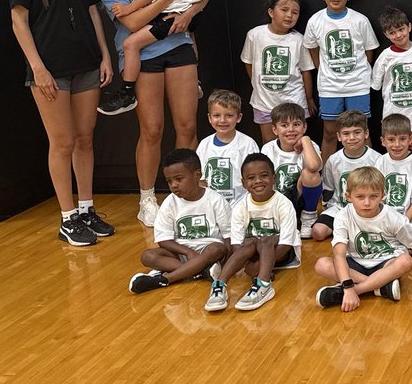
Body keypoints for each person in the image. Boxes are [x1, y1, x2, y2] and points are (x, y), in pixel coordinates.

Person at [8, 0, 115, 245]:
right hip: (50, 70)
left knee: (85, 139)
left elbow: (93, 13)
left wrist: (104, 56)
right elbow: (18, 20)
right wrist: (37, 67)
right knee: (63, 142)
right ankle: (67, 217)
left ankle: (86, 208)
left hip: (86, 63)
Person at [95, 0, 206, 227]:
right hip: (143, 56)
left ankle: (185, 195)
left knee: (187, 127)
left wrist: (189, 13)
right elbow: (130, 22)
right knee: (152, 129)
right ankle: (147, 197)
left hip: (179, 46)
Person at [207, 153, 302, 312]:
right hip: (253, 254)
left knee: (265, 240)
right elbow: (237, 245)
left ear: (274, 178)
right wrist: (249, 265)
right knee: (250, 241)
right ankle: (219, 284)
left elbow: (286, 244)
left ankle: (263, 284)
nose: (258, 181)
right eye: (251, 178)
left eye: (264, 176)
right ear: (243, 183)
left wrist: (254, 269)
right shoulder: (240, 206)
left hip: (281, 254)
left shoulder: (284, 204)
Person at [128, 149, 231, 295]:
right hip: (182, 254)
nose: (173, 185)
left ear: (197, 175)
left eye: (179, 179)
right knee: (147, 256)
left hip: (209, 253)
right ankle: (200, 272)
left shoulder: (215, 199)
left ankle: (165, 279)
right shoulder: (170, 203)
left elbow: (229, 235)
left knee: (217, 248)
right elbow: (163, 239)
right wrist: (188, 252)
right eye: (169, 181)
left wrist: (227, 264)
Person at [303, 0, 379, 162]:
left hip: (357, 85)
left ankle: (369, 177)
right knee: (329, 132)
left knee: (361, 132)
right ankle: (328, 181)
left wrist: (358, 72)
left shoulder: (360, 20)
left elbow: (369, 51)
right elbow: (312, 49)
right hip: (330, 86)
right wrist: (325, 70)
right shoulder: (315, 21)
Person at [315, 166, 412, 309]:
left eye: (373, 196)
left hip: (385, 264)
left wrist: (350, 290)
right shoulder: (343, 216)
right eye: (360, 197)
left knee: (405, 261)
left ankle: (356, 290)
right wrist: (348, 285)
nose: (367, 202)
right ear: (348, 196)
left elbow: (411, 242)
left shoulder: (394, 217)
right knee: (322, 264)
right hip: (356, 264)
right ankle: (379, 287)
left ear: (383, 195)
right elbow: (339, 255)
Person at [241, 0, 317, 143]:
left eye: (295, 12)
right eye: (284, 10)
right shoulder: (255, 35)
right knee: (269, 143)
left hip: (294, 101)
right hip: (264, 101)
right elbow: (248, 62)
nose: (289, 15)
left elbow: (306, 72)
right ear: (271, 12)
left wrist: (309, 99)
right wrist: (257, 84)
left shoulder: (299, 40)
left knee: (296, 143)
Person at [370, 6, 412, 152]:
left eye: (401, 29)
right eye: (392, 32)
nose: (398, 35)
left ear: (409, 27)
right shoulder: (385, 56)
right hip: (392, 115)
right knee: (393, 150)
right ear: (386, 34)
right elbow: (376, 85)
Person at [311, 110, 380, 241]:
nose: (351, 138)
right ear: (339, 136)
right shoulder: (333, 160)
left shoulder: (377, 159)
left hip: (368, 209)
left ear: (366, 133)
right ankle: (346, 228)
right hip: (339, 208)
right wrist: (328, 207)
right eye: (346, 134)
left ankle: (348, 230)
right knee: (317, 232)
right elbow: (328, 188)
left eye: (357, 132)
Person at [260, 101, 323, 236]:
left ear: (304, 127)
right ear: (275, 129)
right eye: (284, 125)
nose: (291, 130)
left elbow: (313, 166)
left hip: (299, 198)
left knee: (311, 174)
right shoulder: (268, 149)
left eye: (296, 124)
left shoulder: (310, 145)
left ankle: (308, 219)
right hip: (277, 199)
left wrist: (305, 141)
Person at [195, 89, 260, 205]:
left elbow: (255, 178)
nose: (222, 120)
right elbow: (201, 181)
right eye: (216, 115)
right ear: (209, 118)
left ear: (239, 117)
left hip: (241, 205)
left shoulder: (248, 144)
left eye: (229, 115)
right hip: (212, 206)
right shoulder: (204, 145)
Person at [376, 113, 412, 243]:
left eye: (402, 139)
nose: (397, 145)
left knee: (407, 242)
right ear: (383, 141)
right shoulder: (380, 162)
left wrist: (401, 223)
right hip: (388, 215)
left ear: (410, 139)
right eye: (391, 140)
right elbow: (378, 197)